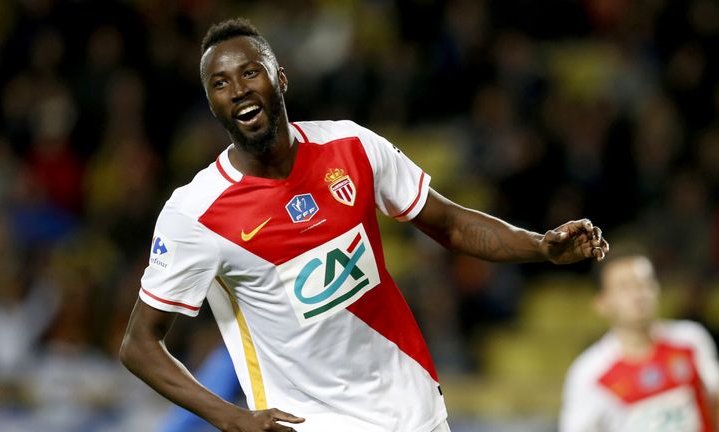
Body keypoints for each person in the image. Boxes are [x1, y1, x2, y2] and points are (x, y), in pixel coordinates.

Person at [120, 18, 609, 432]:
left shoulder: (350, 147)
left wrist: (539, 247)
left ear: (280, 79)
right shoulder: (196, 214)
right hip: (312, 422)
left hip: (413, 408)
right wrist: (230, 417)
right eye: (220, 83)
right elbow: (140, 345)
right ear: (211, 103)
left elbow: (451, 225)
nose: (238, 89)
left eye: (250, 72)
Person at [559, 253, 719, 432]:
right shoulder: (589, 373)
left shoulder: (690, 340)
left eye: (645, 283)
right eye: (625, 287)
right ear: (602, 302)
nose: (639, 294)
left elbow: (715, 400)